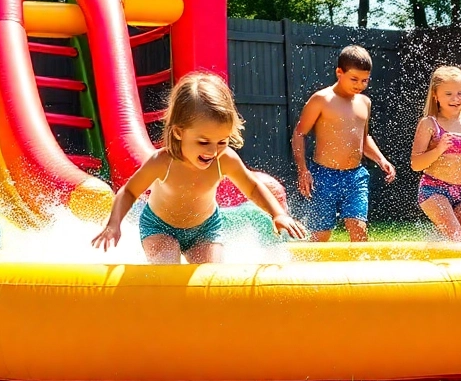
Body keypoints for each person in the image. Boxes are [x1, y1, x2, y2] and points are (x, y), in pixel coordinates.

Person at [92, 72, 309, 263]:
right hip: (160, 227)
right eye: (204, 142)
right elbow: (129, 191)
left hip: (206, 229)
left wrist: (278, 214)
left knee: (210, 279)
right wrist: (114, 224)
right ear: (178, 132)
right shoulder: (163, 162)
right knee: (168, 270)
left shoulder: (225, 159)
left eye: (222, 141)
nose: (213, 151)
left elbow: (252, 188)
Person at [292, 45, 397, 241]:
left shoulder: (364, 102)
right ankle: (309, 269)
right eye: (354, 79)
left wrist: (381, 159)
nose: (360, 85)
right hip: (324, 175)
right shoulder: (322, 99)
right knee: (320, 235)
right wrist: (303, 170)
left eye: (365, 80)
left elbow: (363, 138)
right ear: (339, 72)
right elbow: (299, 133)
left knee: (359, 230)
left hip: (355, 176)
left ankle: (360, 272)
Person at [409, 66, 461, 241]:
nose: (455, 99)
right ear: (435, 95)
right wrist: (439, 149)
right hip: (434, 189)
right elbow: (416, 164)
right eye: (448, 94)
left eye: (460, 93)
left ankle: (438, 254)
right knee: (456, 238)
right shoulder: (429, 124)